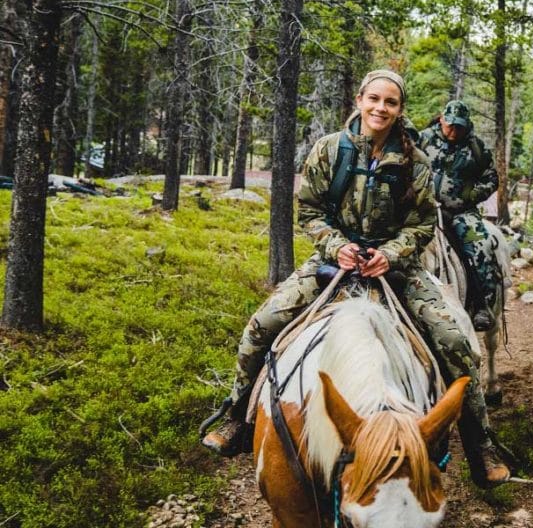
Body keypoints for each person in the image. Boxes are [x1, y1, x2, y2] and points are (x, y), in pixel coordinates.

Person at [200, 70, 509, 488]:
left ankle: (479, 444)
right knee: (261, 324)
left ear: (400, 110)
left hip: (396, 267)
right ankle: (238, 415)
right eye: (375, 99)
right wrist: (335, 246)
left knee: (455, 341)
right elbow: (309, 212)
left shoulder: (416, 160)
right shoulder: (329, 150)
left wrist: (390, 254)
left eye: (391, 102)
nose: (381, 108)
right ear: (360, 100)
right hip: (335, 261)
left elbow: (422, 224)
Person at [418, 100, 501, 332]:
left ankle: (481, 303)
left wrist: (471, 195)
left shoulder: (476, 148)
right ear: (442, 119)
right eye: (450, 125)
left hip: (459, 212)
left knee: (481, 246)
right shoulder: (422, 139)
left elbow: (491, 178)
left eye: (460, 127)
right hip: (421, 207)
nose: (454, 131)